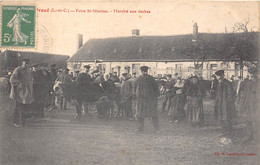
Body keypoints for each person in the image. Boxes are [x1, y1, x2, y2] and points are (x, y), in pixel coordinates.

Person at [133, 66, 160, 134]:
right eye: (143, 71)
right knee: (139, 114)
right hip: (141, 100)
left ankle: (157, 129)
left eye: (145, 71)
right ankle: (140, 128)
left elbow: (156, 88)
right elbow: (134, 88)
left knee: (153, 114)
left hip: (149, 99)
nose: (144, 72)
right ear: (142, 71)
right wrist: (135, 95)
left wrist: (156, 96)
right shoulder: (139, 79)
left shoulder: (150, 79)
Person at [9, 59, 34, 127]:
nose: (26, 65)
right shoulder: (18, 69)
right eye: (25, 63)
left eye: (27, 64)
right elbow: (12, 79)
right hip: (20, 92)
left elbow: (30, 79)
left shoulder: (28, 70)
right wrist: (19, 83)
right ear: (22, 63)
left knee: (24, 107)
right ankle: (16, 122)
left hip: (27, 92)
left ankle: (23, 122)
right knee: (19, 107)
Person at [214, 70, 236, 137]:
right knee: (221, 118)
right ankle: (224, 132)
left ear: (222, 75)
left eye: (218, 76)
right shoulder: (219, 83)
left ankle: (230, 133)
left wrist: (228, 103)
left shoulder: (227, 83)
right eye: (217, 76)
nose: (217, 77)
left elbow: (230, 94)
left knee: (226, 118)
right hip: (219, 103)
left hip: (225, 103)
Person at [242, 68, 259, 142]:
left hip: (256, 105)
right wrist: (244, 103)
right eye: (250, 74)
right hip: (248, 104)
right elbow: (245, 94)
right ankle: (249, 135)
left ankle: (256, 138)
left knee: (255, 121)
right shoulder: (249, 82)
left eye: (253, 74)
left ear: (256, 74)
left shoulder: (258, 83)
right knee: (247, 120)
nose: (251, 76)